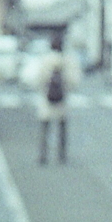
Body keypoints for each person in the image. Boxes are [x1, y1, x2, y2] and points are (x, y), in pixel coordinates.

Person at [35, 34, 80, 164]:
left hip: (47, 98)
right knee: (62, 127)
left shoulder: (45, 60)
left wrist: (44, 87)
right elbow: (74, 80)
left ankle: (43, 155)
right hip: (62, 98)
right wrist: (66, 87)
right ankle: (61, 155)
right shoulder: (68, 60)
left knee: (45, 127)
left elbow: (39, 78)